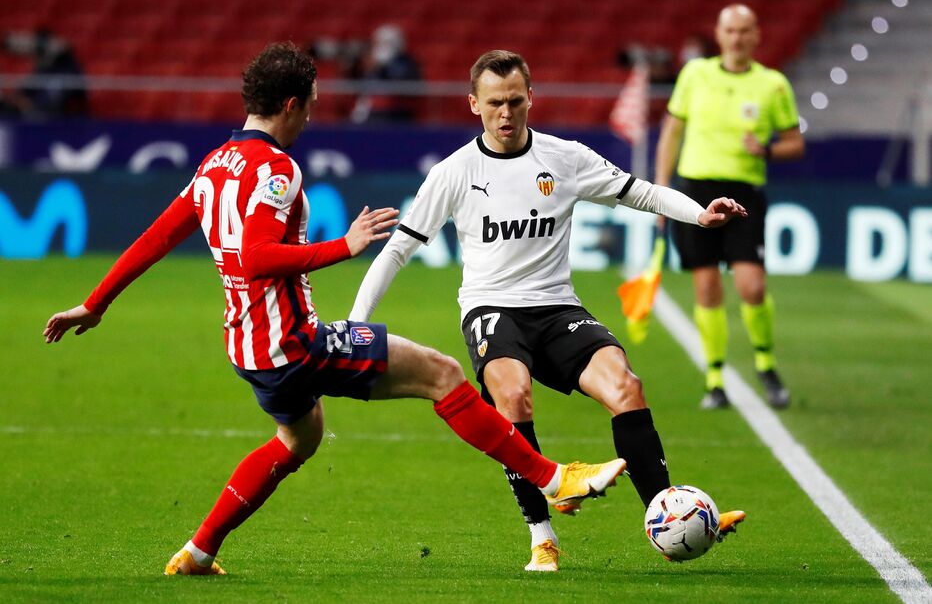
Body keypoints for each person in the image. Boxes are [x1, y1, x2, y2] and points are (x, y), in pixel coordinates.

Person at [42, 42, 627, 576]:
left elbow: (157, 237)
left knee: (299, 439)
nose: (313, 116)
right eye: (313, 105)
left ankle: (199, 551)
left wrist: (96, 304)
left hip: (247, 346)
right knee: (443, 375)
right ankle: (552, 478)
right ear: (292, 105)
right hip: (293, 342)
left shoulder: (214, 165)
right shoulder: (276, 169)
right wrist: (342, 248)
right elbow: (254, 257)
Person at [349, 49, 748, 572]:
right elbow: (398, 249)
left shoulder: (565, 158)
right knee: (513, 394)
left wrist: (700, 214)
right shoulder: (454, 173)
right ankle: (542, 535)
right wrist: (356, 323)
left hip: (557, 307)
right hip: (492, 309)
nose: (506, 113)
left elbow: (640, 193)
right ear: (474, 104)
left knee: (626, 386)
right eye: (494, 103)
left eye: (515, 100)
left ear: (531, 97)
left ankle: (672, 514)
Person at [654, 4, 805, 410]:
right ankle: (716, 378)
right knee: (706, 287)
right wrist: (661, 192)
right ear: (719, 35)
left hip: (744, 193)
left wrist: (768, 149)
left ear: (756, 35)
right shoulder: (695, 74)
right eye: (730, 31)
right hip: (695, 190)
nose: (737, 38)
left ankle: (765, 362)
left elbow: (795, 142)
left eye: (744, 31)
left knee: (751, 285)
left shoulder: (772, 84)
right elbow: (671, 131)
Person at [1, 28, 88, 118]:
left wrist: (29, 105)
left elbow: (64, 46)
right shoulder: (42, 71)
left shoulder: (68, 68)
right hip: (31, 119)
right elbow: (23, 95)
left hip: (57, 121)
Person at [350, 24, 422, 123]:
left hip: (394, 114)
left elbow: (401, 84)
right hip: (367, 111)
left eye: (385, 43)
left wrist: (382, 66)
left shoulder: (406, 62)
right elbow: (358, 85)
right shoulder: (370, 62)